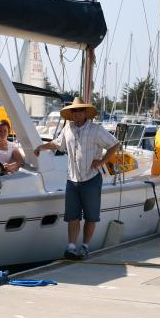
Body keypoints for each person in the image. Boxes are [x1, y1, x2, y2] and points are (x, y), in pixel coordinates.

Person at [34, 97, 119, 260]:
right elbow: (57, 144)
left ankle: (85, 246)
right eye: (73, 111)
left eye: (79, 110)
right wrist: (41, 147)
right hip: (72, 180)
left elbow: (114, 144)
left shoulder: (96, 129)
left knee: (91, 216)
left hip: (91, 179)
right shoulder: (68, 129)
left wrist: (102, 161)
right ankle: (71, 247)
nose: (75, 114)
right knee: (72, 216)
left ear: (85, 112)